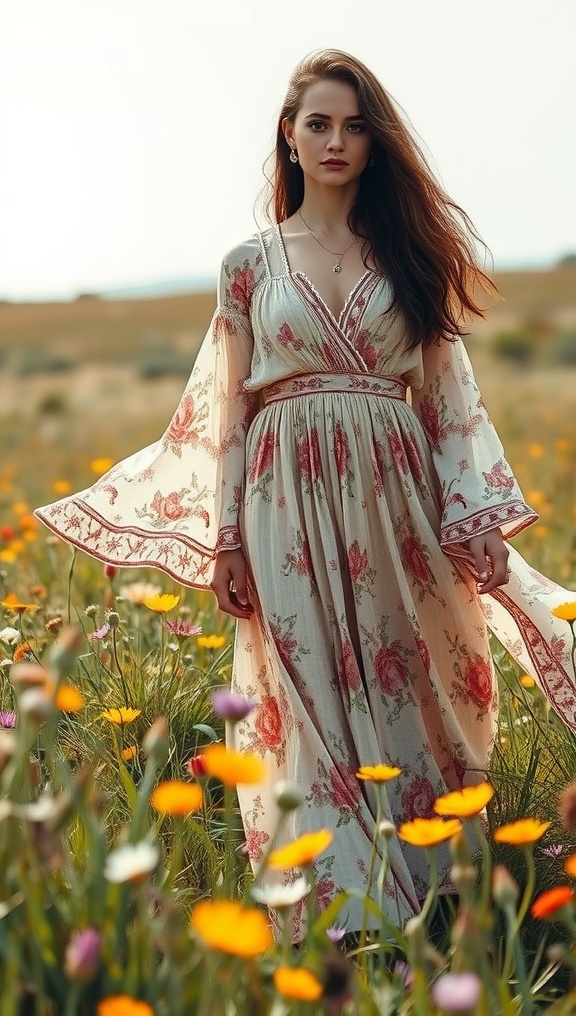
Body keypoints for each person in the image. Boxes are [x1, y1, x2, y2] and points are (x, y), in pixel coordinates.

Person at [35, 49, 576, 938]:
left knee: (420, 680)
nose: (337, 141)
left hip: (397, 496)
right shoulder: (248, 264)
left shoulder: (409, 252)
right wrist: (224, 540)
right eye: (318, 124)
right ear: (289, 137)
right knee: (306, 687)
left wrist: (472, 515)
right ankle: (343, 908)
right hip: (282, 500)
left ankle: (438, 878)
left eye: (355, 125)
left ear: (376, 141)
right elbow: (227, 414)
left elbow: (446, 397)